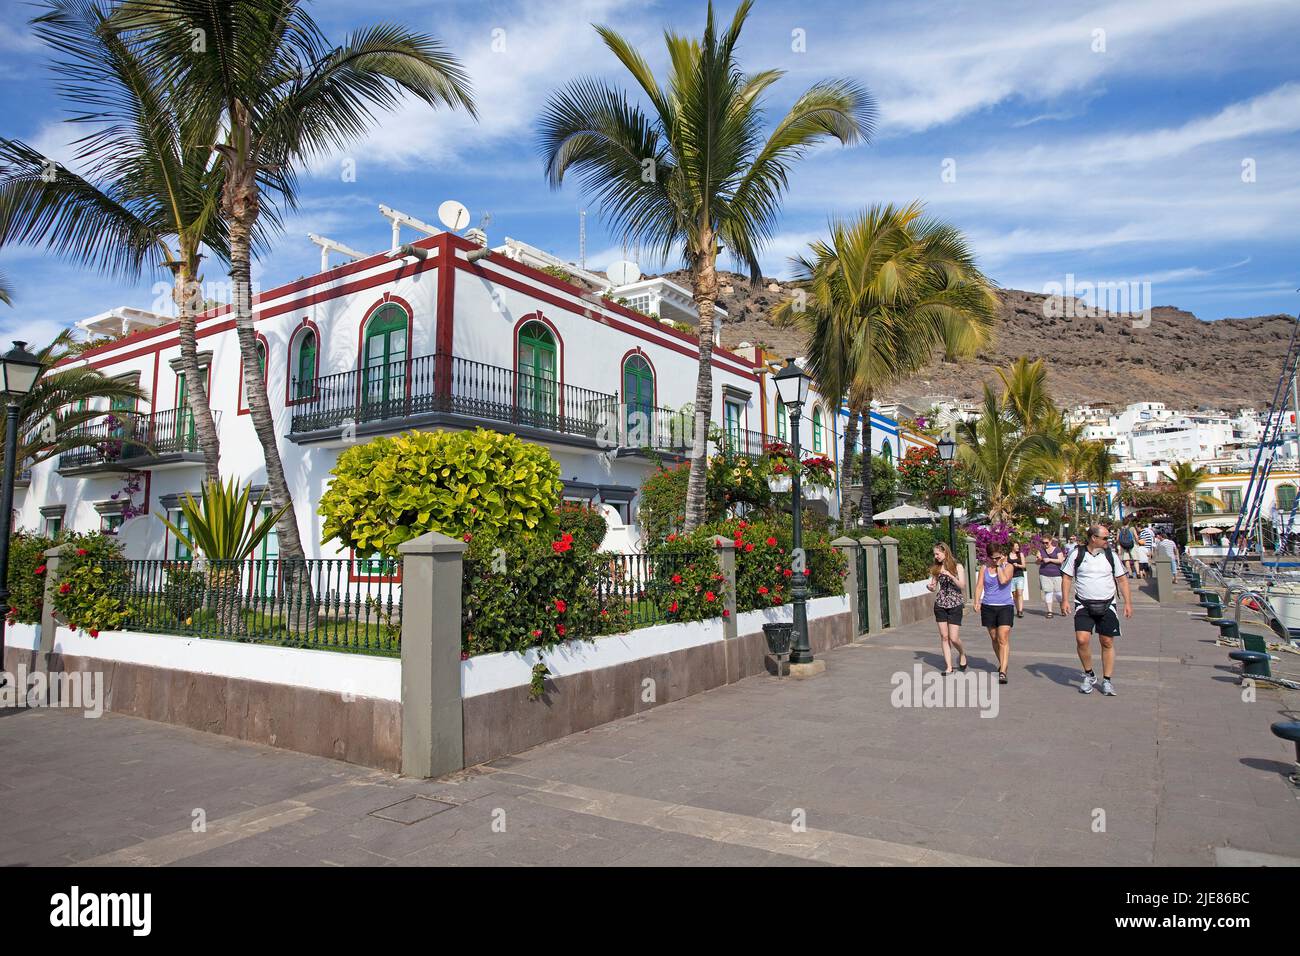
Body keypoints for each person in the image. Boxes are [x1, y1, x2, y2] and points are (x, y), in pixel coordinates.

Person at [1061, 523, 1133, 697]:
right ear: (1094, 538)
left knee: (1107, 641)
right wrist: (1065, 600)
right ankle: (1089, 674)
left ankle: (1107, 680)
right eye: (1105, 538)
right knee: (1082, 639)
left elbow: (1122, 580)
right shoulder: (1077, 554)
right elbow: (1067, 577)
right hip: (1083, 604)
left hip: (1107, 604)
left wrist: (1128, 603)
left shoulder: (1111, 555)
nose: (1108, 540)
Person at [973, 543, 1015, 684]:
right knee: (994, 638)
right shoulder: (984, 568)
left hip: (1005, 606)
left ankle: (1003, 670)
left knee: (1003, 637)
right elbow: (979, 585)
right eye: (993, 558)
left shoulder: (1008, 566)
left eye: (998, 557)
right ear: (989, 556)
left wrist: (999, 566)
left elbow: (1003, 580)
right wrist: (977, 601)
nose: (995, 560)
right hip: (988, 606)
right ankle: (1003, 662)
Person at [926, 543, 968, 675]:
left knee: (954, 638)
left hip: (955, 603)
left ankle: (962, 653)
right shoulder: (936, 568)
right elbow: (933, 585)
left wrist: (950, 575)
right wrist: (931, 587)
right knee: (944, 637)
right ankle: (949, 667)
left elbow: (962, 585)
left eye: (937, 553)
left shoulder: (957, 566)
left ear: (945, 552)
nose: (935, 556)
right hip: (940, 604)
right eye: (934, 554)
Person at [1037, 536, 1066, 618]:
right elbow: (1037, 562)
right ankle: (1050, 611)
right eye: (1043, 543)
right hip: (1044, 573)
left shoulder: (1057, 549)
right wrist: (1039, 559)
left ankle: (1062, 608)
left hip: (1056, 573)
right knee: (1048, 592)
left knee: (1058, 592)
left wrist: (1050, 560)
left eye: (1046, 542)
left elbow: (1060, 560)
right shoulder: (1041, 550)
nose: (1045, 544)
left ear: (1050, 541)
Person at [1007, 540, 1028, 618]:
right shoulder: (1008, 555)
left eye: (1018, 546)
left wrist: (1018, 565)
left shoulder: (1020, 554)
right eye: (1016, 546)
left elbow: (1024, 566)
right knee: (1014, 594)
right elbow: (1005, 565)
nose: (1017, 548)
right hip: (1011, 577)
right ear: (1012, 547)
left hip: (1019, 576)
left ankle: (1020, 611)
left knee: (1019, 593)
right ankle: (1018, 609)